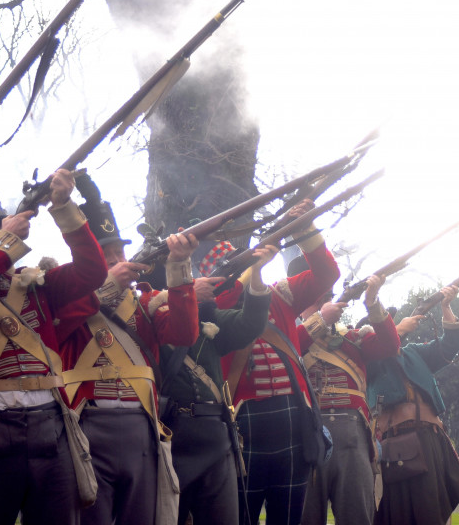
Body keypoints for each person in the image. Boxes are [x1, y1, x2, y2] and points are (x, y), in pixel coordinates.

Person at [0, 173, 108, 525]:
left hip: (51, 424)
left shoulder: (37, 283)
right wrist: (3, 242)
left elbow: (94, 272)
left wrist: (63, 207)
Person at [58, 171, 199, 525]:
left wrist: (178, 265)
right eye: (106, 253)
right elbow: (55, 332)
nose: (117, 258)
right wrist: (102, 288)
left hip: (140, 424)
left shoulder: (146, 303)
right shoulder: (65, 294)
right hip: (86, 422)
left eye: (119, 250)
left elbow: (184, 333)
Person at [212, 200, 341, 525]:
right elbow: (224, 298)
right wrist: (245, 272)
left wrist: (305, 230)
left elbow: (327, 274)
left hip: (292, 419)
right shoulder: (214, 304)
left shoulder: (279, 293)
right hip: (245, 423)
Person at [160, 246, 276, 525]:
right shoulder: (154, 318)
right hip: (173, 436)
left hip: (216, 433)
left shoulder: (210, 320)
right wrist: (183, 295)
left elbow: (250, 324)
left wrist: (257, 273)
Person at [299, 274, 401, 525]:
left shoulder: (354, 338)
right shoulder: (291, 338)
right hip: (306, 435)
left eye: (324, 298)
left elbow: (390, 346)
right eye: (314, 301)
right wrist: (319, 322)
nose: (322, 303)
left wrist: (373, 302)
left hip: (353, 436)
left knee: (357, 516)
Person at [369, 285, 459, 525]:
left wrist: (446, 306)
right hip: (396, 442)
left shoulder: (414, 353)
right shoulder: (368, 359)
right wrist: (397, 330)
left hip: (431, 439)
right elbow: (377, 353)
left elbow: (450, 346)